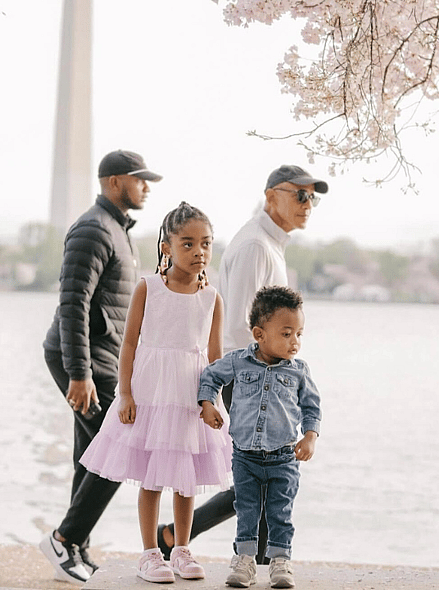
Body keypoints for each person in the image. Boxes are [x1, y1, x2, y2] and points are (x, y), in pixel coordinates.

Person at [157, 164, 329, 565]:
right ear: (271, 196)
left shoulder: (268, 244)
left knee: (267, 468)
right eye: (299, 194)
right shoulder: (254, 246)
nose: (308, 204)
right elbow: (243, 325)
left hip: (267, 374)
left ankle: (242, 551)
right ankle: (261, 557)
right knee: (264, 468)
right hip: (251, 378)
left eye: (312, 197)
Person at [80, 202, 230, 583]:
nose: (199, 252)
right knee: (152, 475)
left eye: (206, 244)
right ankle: (149, 553)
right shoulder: (148, 288)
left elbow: (214, 356)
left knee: (186, 475)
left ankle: (181, 548)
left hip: (190, 394)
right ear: (167, 247)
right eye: (188, 243)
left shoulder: (212, 297)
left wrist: (214, 402)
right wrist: (125, 394)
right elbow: (128, 344)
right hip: (151, 393)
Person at [39, 149, 162, 584]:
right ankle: (62, 538)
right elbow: (72, 303)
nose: (147, 186)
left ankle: (74, 547)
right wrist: (80, 374)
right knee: (124, 447)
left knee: (91, 455)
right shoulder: (93, 229)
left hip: (104, 359)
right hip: (84, 360)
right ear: (114, 182)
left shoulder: (118, 229)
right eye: (139, 178)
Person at [197, 286, 321, 588]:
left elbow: (311, 406)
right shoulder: (238, 362)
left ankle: (280, 561)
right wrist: (207, 404)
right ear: (259, 333)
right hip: (244, 458)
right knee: (247, 511)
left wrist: (310, 437)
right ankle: (244, 561)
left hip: (284, 458)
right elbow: (210, 376)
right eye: (287, 333)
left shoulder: (299, 372)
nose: (295, 342)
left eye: (299, 334)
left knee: (280, 512)